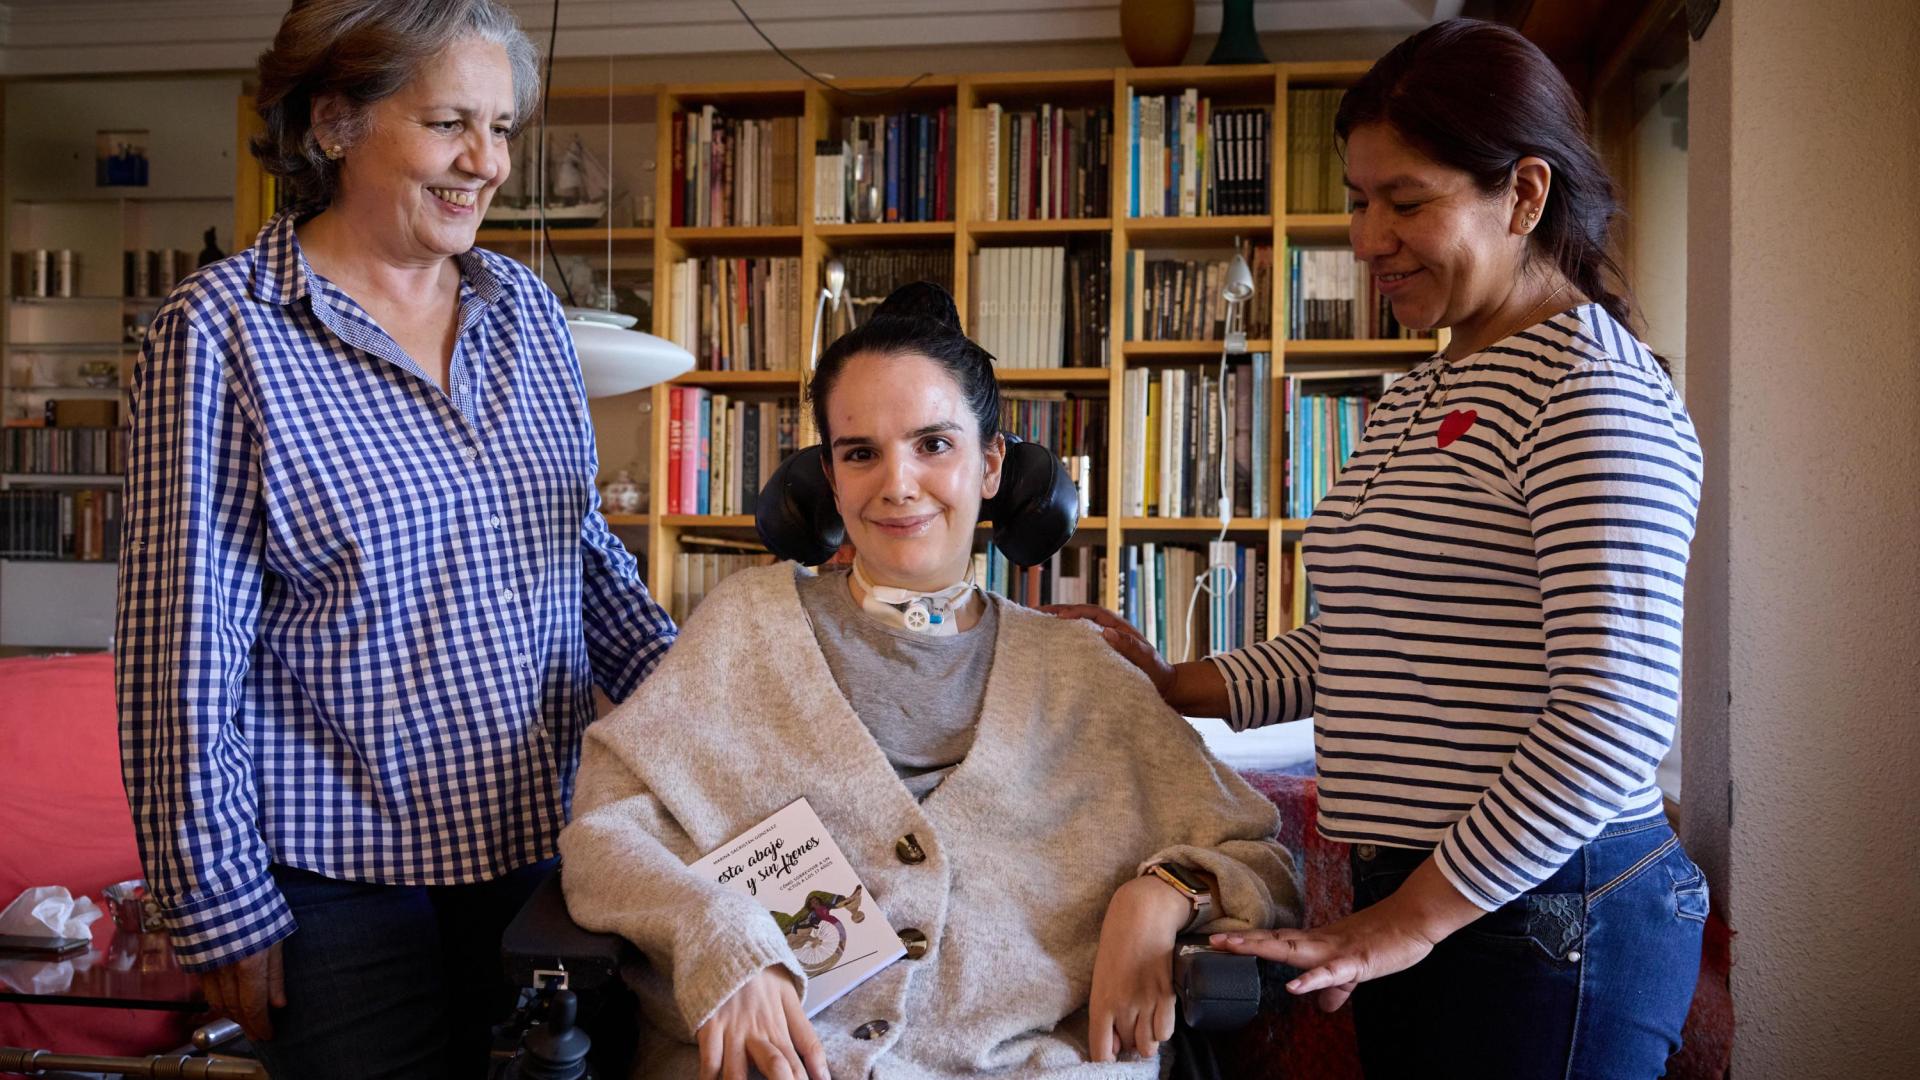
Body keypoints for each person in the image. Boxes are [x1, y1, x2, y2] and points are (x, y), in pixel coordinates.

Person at [1051, 18, 1706, 1079]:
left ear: (1524, 196)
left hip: (1546, 915)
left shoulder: (1592, 395)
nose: (1366, 239)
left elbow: (1612, 720)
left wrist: (1409, 920)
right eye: (1359, 201)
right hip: (1445, 900)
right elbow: (1363, 637)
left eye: (1406, 201)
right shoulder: (1424, 393)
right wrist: (1174, 684)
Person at [114, 1, 676, 1074]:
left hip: (544, 857)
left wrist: (736, 708)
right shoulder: (220, 335)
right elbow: (181, 653)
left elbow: (582, 563)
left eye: (503, 128)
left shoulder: (523, 311)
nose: (487, 162)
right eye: (450, 123)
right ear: (335, 123)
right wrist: (216, 902)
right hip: (339, 896)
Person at [559, 283, 1302, 1080]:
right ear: (829, 479)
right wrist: (718, 932)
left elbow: (1257, 861)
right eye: (860, 453)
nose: (898, 483)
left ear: (990, 465)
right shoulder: (744, 630)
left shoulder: (1081, 669)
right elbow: (605, 838)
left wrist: (1161, 892)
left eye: (934, 445)